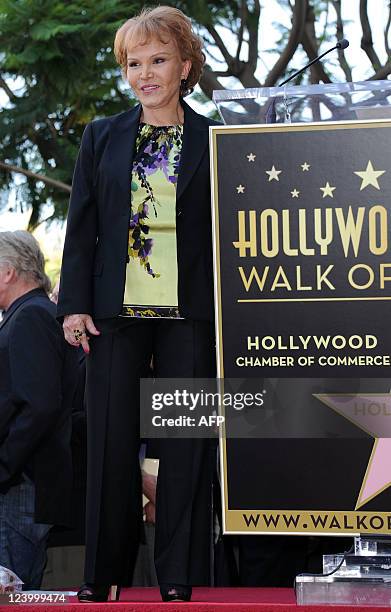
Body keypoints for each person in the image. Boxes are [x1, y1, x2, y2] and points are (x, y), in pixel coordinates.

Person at [57, 6, 219, 603]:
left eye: (157, 60)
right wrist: (73, 304)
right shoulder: (102, 134)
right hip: (113, 315)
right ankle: (101, 577)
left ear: (184, 65)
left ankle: (178, 577)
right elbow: (83, 226)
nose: (144, 74)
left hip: (190, 318)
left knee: (186, 450)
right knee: (108, 446)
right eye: (133, 63)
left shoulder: (213, 140)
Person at [0, 230, 77, 589]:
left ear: (8, 271)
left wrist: (3, 466)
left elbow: (41, 406)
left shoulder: (32, 316)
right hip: (24, 484)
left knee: (12, 595)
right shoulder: (30, 314)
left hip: (22, 486)